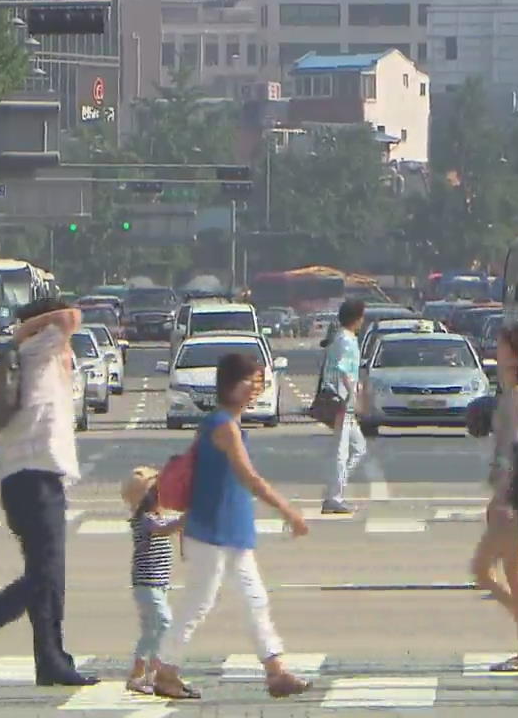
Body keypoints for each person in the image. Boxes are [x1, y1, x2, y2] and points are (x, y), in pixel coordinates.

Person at [0, 298, 97, 687]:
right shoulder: (34, 349)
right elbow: (70, 317)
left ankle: (50, 660)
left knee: (48, 580)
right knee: (44, 578)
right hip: (33, 480)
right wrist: (28, 327)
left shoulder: (38, 355)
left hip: (34, 479)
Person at [152, 353, 312, 701]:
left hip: (229, 532)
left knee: (254, 600)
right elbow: (248, 477)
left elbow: (214, 482)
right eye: (252, 381)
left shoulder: (226, 424)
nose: (257, 388)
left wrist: (179, 522)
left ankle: (276, 672)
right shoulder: (222, 426)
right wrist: (288, 511)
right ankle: (165, 670)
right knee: (199, 603)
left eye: (259, 381)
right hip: (214, 533)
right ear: (231, 385)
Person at [469, 324, 518, 673]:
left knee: (485, 571)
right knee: (515, 577)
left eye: (502, 346)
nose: (496, 351)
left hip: (515, 498)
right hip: (515, 496)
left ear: (516, 354)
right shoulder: (514, 392)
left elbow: (515, 452)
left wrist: (502, 497)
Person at [121, 466, 182, 694]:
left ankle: (140, 675)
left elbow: (170, 524)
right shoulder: (145, 519)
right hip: (148, 586)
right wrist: (187, 519)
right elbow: (164, 529)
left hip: (157, 585)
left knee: (150, 631)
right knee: (165, 624)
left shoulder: (155, 516)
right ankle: (153, 671)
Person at [321, 299, 367, 515]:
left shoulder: (341, 337)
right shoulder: (346, 340)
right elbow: (344, 370)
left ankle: (334, 490)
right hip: (342, 401)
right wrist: (353, 395)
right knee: (342, 450)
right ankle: (334, 497)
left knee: (359, 448)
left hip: (342, 400)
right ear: (356, 318)